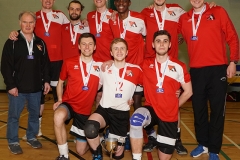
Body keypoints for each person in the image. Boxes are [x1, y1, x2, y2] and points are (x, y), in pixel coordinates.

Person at [140, 0, 216, 154]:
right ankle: (152, 136)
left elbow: (191, 19)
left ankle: (177, 139)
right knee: (148, 102)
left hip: (170, 65)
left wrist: (208, 5)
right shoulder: (145, 12)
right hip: (150, 63)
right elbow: (137, 33)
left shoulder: (177, 10)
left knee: (172, 101)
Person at [178, 0, 239, 159]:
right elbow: (172, 34)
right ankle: (203, 144)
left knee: (217, 111)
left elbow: (232, 36)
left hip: (218, 68)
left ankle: (214, 149)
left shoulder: (218, 11)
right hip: (197, 71)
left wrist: (233, 61)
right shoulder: (184, 18)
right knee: (198, 110)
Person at [9, 0, 69, 138]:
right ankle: (37, 129)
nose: (48, 1)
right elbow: (24, 28)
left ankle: (60, 129)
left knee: (58, 96)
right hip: (40, 63)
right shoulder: (34, 16)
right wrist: (14, 33)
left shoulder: (60, 15)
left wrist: (85, 22)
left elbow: (73, 26)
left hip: (58, 62)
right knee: (40, 96)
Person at [129, 30, 192, 160]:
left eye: (165, 41)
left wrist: (174, 105)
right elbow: (127, 72)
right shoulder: (145, 64)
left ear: (170, 45)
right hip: (151, 109)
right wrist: (110, 62)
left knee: (164, 157)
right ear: (152, 44)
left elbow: (188, 92)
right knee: (136, 119)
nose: (161, 44)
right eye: (158, 41)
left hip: (169, 115)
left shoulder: (179, 66)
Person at [84, 38, 143, 160]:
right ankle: (97, 152)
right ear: (111, 52)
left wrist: (174, 90)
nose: (119, 51)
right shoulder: (104, 68)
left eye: (122, 48)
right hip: (104, 110)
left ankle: (115, 137)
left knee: (117, 155)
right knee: (90, 128)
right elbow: (94, 87)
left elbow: (150, 86)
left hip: (121, 114)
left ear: (127, 52)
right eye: (116, 48)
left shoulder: (136, 70)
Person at [1, 11, 50, 155]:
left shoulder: (41, 43)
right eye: (24, 22)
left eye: (31, 22)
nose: (28, 25)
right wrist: (10, 85)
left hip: (36, 88)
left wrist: (46, 81)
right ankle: (13, 140)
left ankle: (31, 137)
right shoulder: (12, 42)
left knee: (34, 115)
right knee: (14, 116)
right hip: (18, 89)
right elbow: (5, 65)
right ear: (19, 23)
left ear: (35, 24)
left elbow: (45, 64)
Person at [53, 33, 102, 160]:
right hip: (69, 104)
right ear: (79, 46)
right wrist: (59, 100)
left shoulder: (101, 67)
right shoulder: (69, 62)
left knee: (80, 151)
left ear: (95, 47)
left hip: (84, 111)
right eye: (84, 44)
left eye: (90, 44)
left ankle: (97, 138)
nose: (87, 47)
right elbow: (60, 82)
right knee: (58, 116)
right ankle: (63, 154)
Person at [109, 0, 146, 111]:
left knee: (137, 102)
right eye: (118, 1)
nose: (121, 3)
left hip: (136, 66)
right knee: (119, 101)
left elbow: (146, 36)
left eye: (124, 1)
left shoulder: (140, 18)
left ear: (129, 3)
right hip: (120, 67)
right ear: (114, 3)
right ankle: (119, 128)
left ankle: (142, 128)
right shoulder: (112, 19)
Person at [87, 0, 115, 108]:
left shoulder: (114, 14)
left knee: (108, 95)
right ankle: (98, 122)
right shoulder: (90, 15)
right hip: (94, 62)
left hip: (109, 62)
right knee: (97, 96)